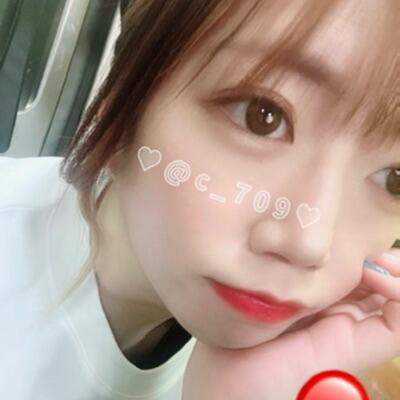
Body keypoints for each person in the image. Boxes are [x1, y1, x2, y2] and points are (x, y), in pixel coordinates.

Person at [0, 0, 399, 399]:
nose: (309, 244)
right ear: (126, 99)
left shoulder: (330, 361)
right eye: (262, 116)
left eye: (394, 180)